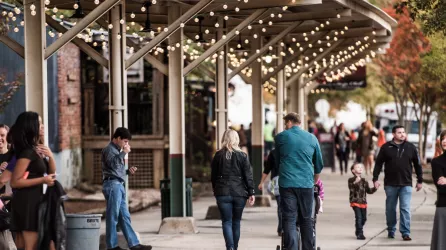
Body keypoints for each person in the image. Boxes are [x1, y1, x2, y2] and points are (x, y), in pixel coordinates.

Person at [274, 112, 324, 250]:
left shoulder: (280, 138)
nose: (285, 126)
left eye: (286, 123)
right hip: (306, 184)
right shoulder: (312, 138)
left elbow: (277, 161)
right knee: (307, 219)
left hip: (287, 184)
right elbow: (319, 165)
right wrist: (314, 181)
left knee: (289, 219)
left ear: (290, 122)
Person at [10, 112, 56, 250]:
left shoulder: (36, 150)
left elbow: (52, 174)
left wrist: (51, 156)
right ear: (31, 127)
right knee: (30, 245)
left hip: (35, 200)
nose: (42, 127)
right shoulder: (28, 153)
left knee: (42, 243)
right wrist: (42, 179)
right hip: (27, 202)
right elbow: (15, 182)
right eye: (39, 123)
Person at [102, 127, 151, 250]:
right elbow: (112, 164)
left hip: (119, 184)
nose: (126, 144)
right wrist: (124, 153)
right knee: (112, 216)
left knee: (125, 216)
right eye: (125, 141)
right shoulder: (109, 149)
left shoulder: (117, 151)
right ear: (118, 138)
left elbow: (116, 170)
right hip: (112, 185)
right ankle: (112, 246)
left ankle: (134, 244)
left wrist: (128, 171)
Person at [373, 125, 423, 241]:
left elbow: (417, 164)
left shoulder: (411, 147)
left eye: (403, 132)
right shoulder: (386, 147)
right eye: (399, 132)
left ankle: (405, 232)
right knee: (390, 208)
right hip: (390, 184)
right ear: (394, 134)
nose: (402, 134)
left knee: (405, 208)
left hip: (406, 183)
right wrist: (375, 179)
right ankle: (391, 229)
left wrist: (420, 180)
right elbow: (378, 164)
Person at [211, 129, 255, 250]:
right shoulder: (242, 156)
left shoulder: (218, 155)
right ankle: (234, 248)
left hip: (222, 192)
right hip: (239, 193)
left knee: (226, 222)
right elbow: (248, 176)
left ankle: (230, 247)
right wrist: (251, 192)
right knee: (236, 222)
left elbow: (213, 175)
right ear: (237, 139)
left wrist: (215, 189)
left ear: (224, 139)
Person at [348, 163, 377, 240]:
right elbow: (351, 189)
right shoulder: (351, 180)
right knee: (359, 217)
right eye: (358, 167)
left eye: (361, 167)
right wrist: (355, 182)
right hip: (355, 201)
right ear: (353, 170)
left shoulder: (364, 181)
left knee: (364, 218)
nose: (360, 168)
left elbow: (369, 191)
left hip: (363, 202)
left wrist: (375, 188)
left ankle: (358, 228)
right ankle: (360, 233)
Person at [258, 148, 282, 236]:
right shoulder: (292, 150)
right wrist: (261, 182)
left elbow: (267, 168)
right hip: (289, 181)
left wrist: (261, 182)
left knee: (280, 205)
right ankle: (283, 228)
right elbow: (267, 168)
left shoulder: (273, 152)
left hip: (275, 182)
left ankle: (281, 228)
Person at [430, 130, 446, 249]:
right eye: (443, 139)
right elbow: (441, 188)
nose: (444, 141)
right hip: (444, 207)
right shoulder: (436, 162)